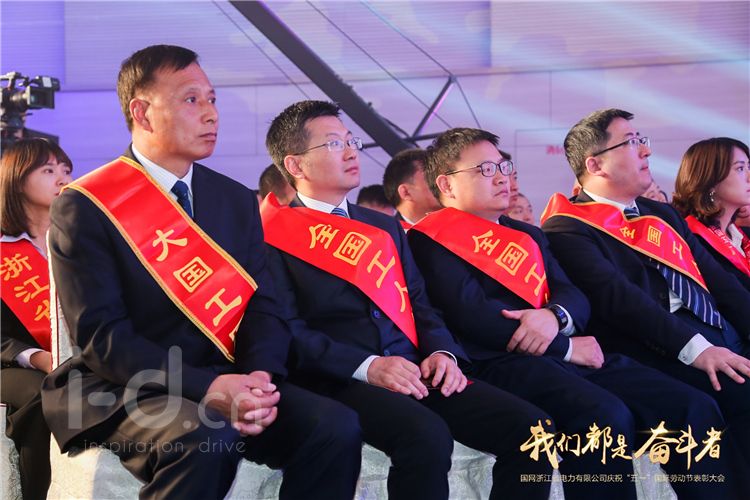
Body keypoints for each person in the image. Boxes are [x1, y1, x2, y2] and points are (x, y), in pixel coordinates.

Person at [42, 45, 361, 500]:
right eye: (191, 100)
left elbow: (262, 304)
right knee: (206, 437)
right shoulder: (87, 205)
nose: (210, 114)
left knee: (334, 427)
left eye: (212, 99)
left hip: (229, 375)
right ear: (142, 112)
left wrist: (259, 379)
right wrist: (209, 387)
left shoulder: (234, 199)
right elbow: (103, 337)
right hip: (125, 385)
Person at [408, 127, 728, 500]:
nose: (501, 177)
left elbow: (572, 294)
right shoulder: (428, 239)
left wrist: (555, 316)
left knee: (692, 407)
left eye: (503, 166)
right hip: (501, 362)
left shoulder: (526, 233)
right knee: (602, 416)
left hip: (566, 353)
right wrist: (567, 347)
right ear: (446, 185)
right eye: (485, 170)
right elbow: (473, 315)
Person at [263, 100, 554, 500]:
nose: (351, 152)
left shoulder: (383, 226)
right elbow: (288, 328)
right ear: (295, 165)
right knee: (426, 435)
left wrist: (442, 354)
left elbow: (419, 302)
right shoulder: (272, 234)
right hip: (341, 378)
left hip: (416, 370)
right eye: (333, 144)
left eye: (351, 141)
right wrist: (370, 367)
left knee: (531, 430)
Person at [540, 108, 750, 493]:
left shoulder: (662, 214)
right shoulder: (567, 227)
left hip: (715, 334)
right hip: (657, 349)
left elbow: (721, 285)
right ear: (595, 164)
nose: (646, 151)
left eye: (642, 140)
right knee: (727, 398)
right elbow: (622, 302)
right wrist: (698, 350)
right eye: (631, 143)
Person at [1, 138, 72, 500]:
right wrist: (38, 357)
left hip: (74, 359)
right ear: (17, 180)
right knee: (41, 394)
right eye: (48, 170)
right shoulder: (3, 250)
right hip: (11, 363)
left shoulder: (79, 243)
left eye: (66, 169)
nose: (63, 178)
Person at [672, 138, 750, 291]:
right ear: (710, 180)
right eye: (740, 168)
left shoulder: (744, 235)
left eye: (749, 166)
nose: (749, 176)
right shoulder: (692, 242)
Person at [382, 148, 441, 229]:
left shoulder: (455, 227)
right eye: (432, 177)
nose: (442, 183)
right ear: (406, 192)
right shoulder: (388, 235)